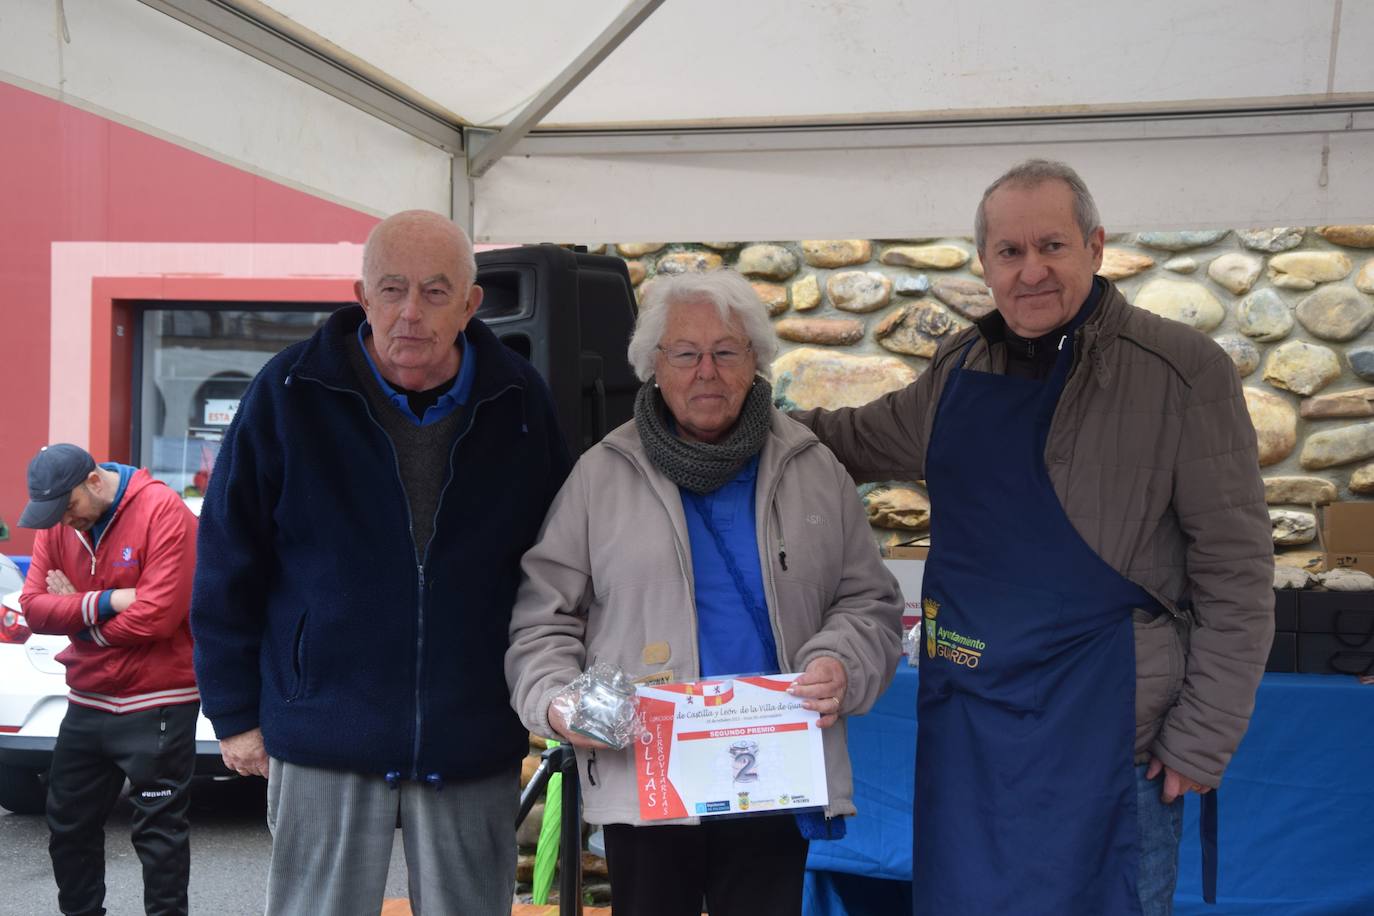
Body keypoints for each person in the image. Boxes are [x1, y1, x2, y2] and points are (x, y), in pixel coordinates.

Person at [795, 159, 1274, 915]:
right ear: (984, 263)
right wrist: (729, 419)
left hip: (1114, 740)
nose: (1032, 272)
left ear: (1095, 245)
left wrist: (1202, 738)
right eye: (1009, 253)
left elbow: (1239, 576)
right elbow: (851, 438)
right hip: (972, 730)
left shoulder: (1181, 373)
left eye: (1052, 246)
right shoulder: (958, 366)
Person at [190, 211, 572, 916]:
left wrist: (552, 686)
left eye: (434, 292)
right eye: (391, 290)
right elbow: (226, 556)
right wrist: (235, 712)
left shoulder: (521, 401)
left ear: (470, 304)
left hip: (471, 731)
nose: (409, 313)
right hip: (324, 730)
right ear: (361, 296)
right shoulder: (288, 393)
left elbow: (558, 563)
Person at [506, 270, 903, 916]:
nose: (707, 371)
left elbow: (869, 603)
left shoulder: (814, 468)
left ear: (756, 362)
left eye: (726, 352)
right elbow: (541, 622)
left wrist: (841, 662)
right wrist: (557, 703)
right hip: (649, 775)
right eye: (685, 353)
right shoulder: (600, 476)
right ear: (653, 366)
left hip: (774, 771)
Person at [17, 442, 200, 916]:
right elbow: (35, 608)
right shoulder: (59, 524)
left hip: (159, 698)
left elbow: (157, 618)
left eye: (68, 506)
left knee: (159, 835)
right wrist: (111, 601)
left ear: (94, 481)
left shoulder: (164, 510)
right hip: (88, 700)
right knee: (67, 825)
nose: (62, 520)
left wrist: (75, 615)